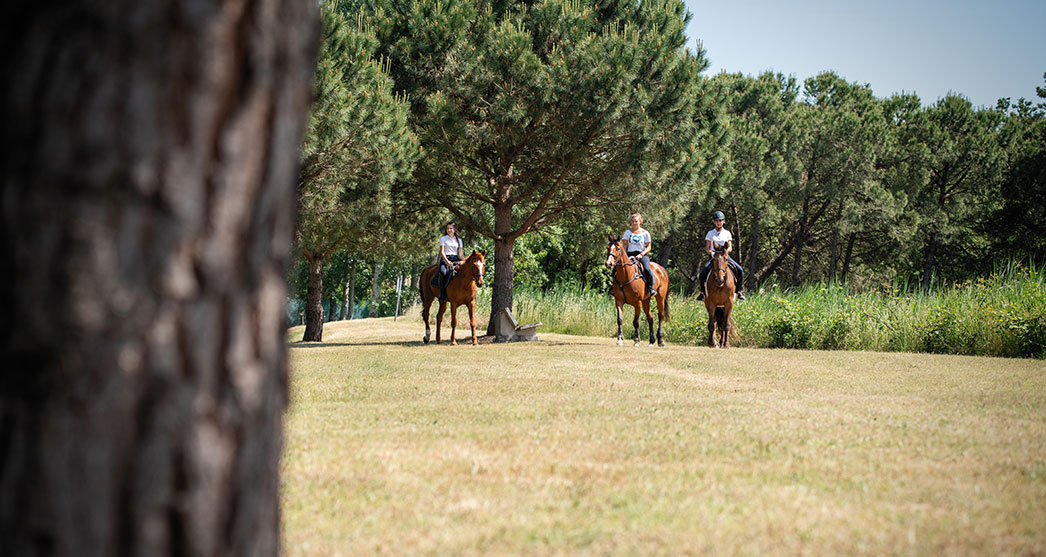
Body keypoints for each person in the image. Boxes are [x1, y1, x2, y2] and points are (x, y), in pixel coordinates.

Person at [697, 210, 746, 301]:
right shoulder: (710, 233)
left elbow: (730, 247)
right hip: (714, 257)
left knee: (740, 270)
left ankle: (739, 291)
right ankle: (702, 293)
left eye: (720, 221)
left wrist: (726, 252)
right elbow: (707, 248)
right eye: (717, 221)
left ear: (723, 221)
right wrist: (711, 253)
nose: (718, 223)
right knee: (703, 272)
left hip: (724, 257)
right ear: (714, 222)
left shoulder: (727, 233)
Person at [621, 213, 656, 296]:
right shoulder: (627, 232)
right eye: (632, 221)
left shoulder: (645, 233)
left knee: (647, 269)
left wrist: (641, 254)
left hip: (641, 254)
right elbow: (625, 245)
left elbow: (648, 247)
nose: (634, 223)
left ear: (640, 222)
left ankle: (651, 287)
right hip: (629, 254)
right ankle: (614, 288)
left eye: (636, 221)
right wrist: (624, 254)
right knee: (617, 268)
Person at [434, 221, 463, 302]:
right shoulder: (443, 239)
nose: (449, 230)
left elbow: (460, 253)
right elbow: (442, 252)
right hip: (446, 259)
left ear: (454, 229)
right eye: (447, 228)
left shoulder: (459, 240)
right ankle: (442, 294)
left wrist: (463, 261)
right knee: (443, 272)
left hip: (455, 259)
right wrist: (447, 261)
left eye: (451, 228)